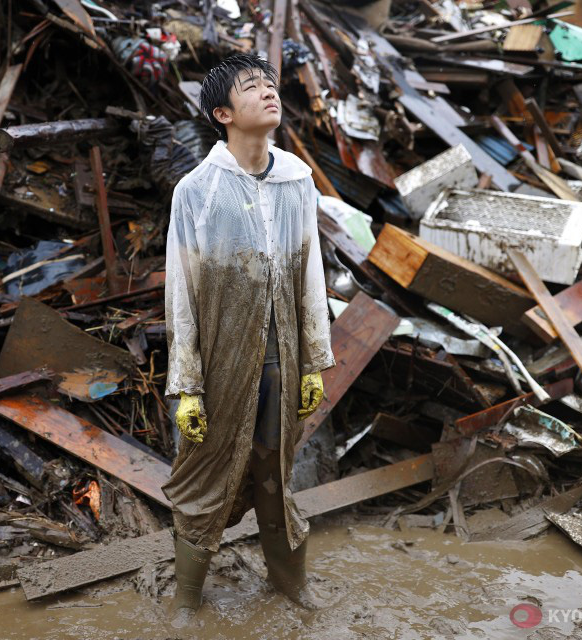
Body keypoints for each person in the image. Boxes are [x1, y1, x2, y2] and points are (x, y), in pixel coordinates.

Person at [162, 53, 335, 625]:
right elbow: (181, 293)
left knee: (274, 472)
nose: (268, 92)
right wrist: (186, 385)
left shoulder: (297, 181)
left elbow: (310, 270)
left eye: (270, 84)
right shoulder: (197, 191)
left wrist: (314, 360)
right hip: (220, 363)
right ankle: (187, 599)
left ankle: (290, 585)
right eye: (250, 87)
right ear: (222, 113)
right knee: (206, 473)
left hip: (281, 359)